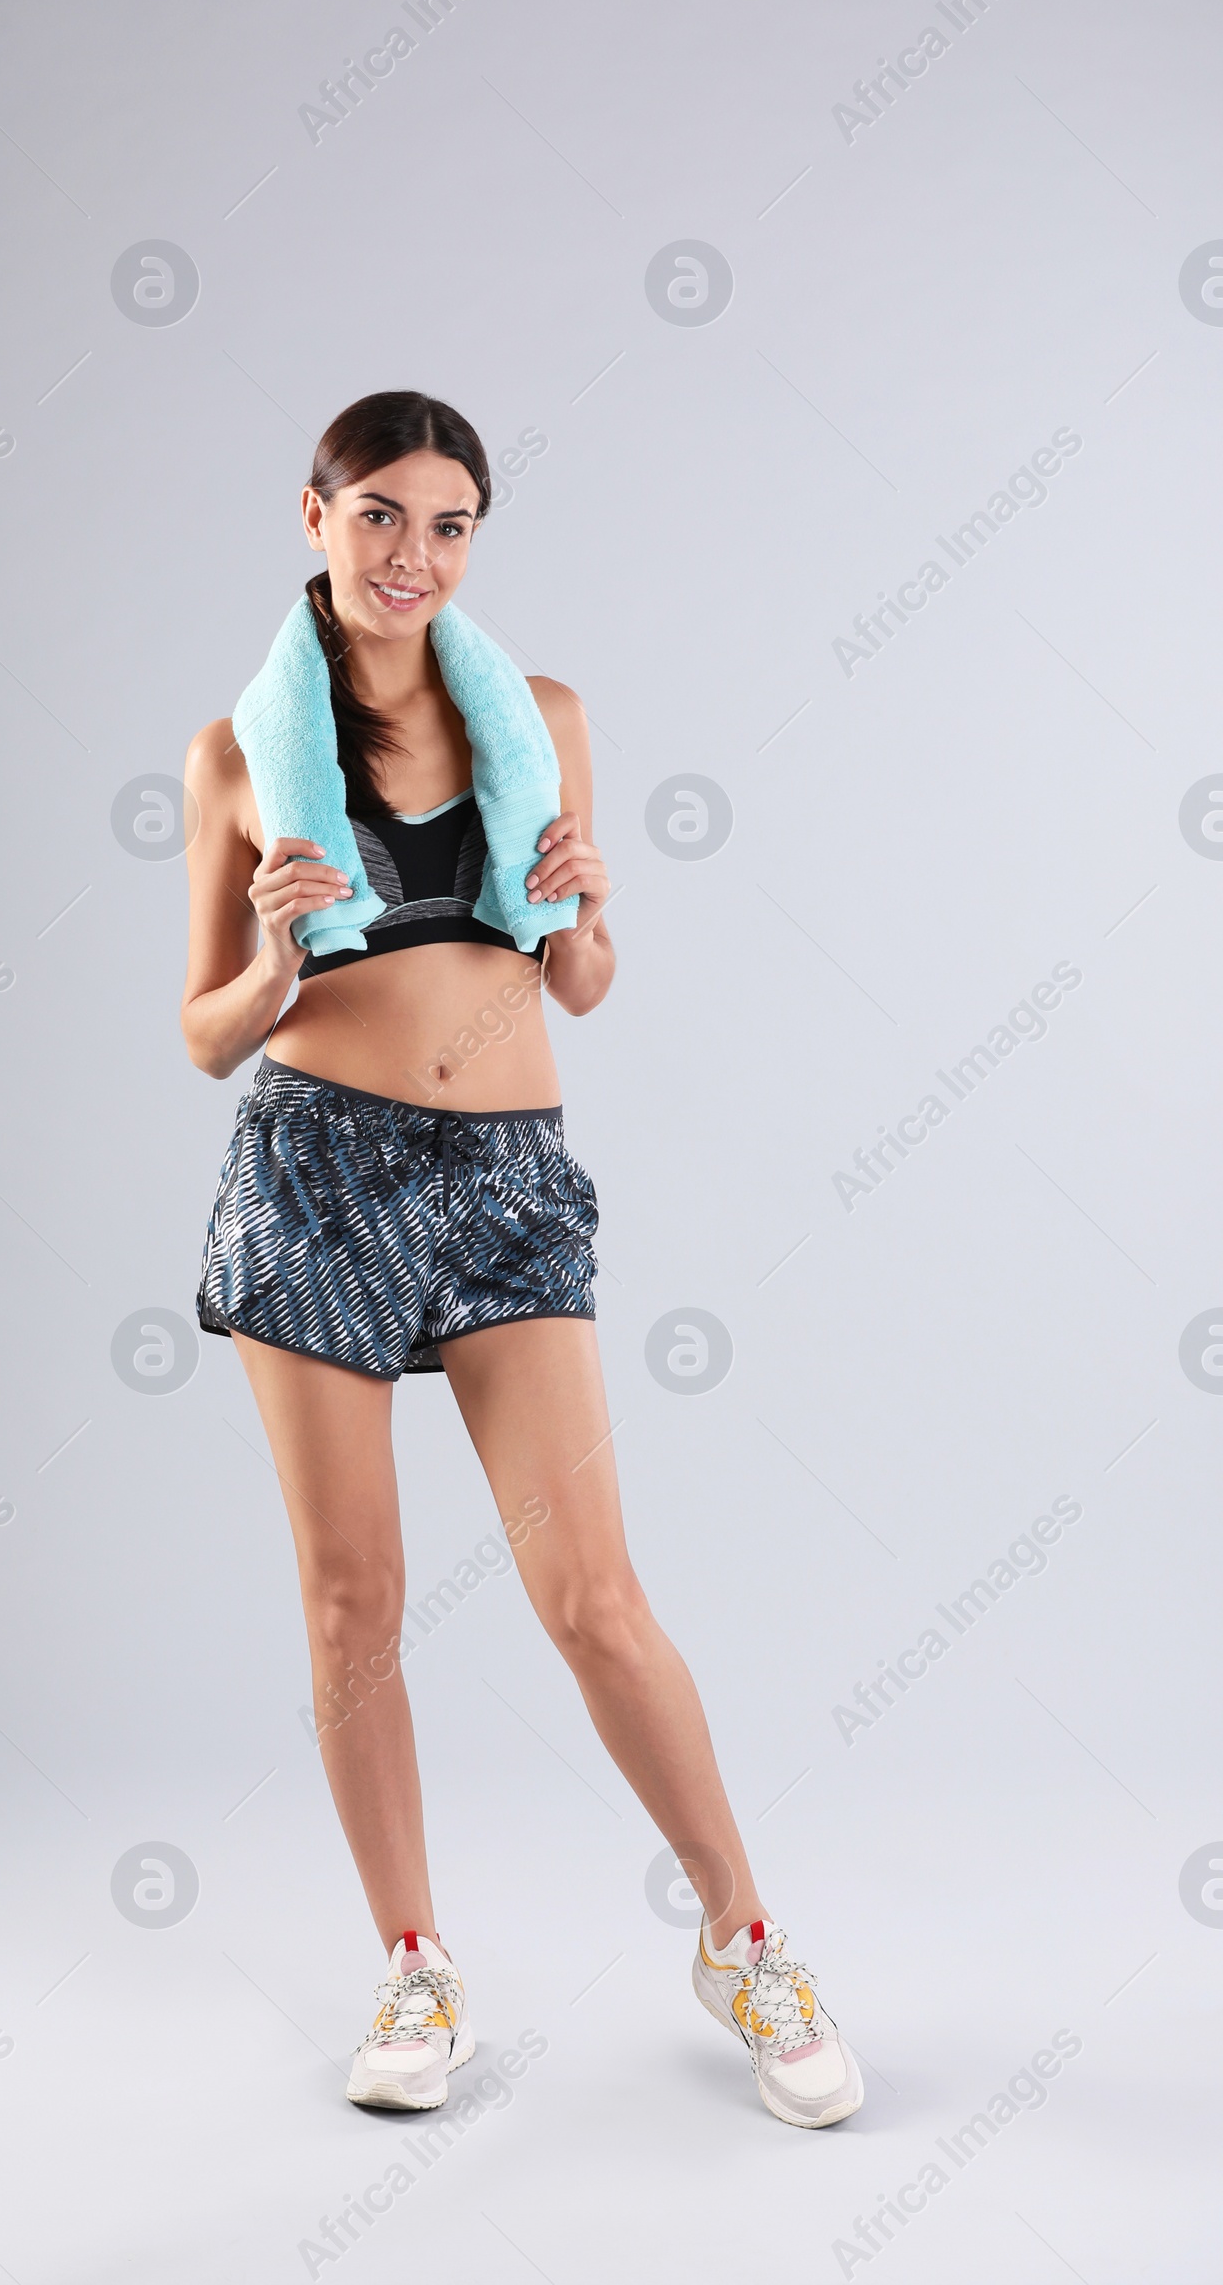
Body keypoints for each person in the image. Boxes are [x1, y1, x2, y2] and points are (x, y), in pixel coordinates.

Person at [180, 390, 861, 2129]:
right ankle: (414, 1966)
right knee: (355, 1601)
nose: (417, 554)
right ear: (315, 518)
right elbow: (204, 1033)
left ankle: (744, 1935)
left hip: (505, 1182)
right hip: (315, 1171)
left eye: (453, 523)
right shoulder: (241, 757)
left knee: (593, 1601)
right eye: (385, 515)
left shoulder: (536, 715)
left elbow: (577, 986)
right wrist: (271, 959)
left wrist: (597, 908)